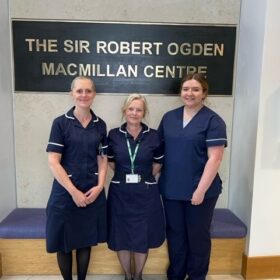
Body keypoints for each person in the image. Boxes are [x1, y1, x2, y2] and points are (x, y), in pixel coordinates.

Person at [158, 73, 227, 280]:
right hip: (171, 189)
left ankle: (197, 276)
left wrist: (200, 191)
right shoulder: (169, 118)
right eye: (186, 89)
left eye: (195, 89)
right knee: (176, 235)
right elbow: (160, 153)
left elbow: (214, 159)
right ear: (181, 92)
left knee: (197, 237)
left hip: (201, 191)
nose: (190, 93)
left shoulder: (213, 121)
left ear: (204, 93)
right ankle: (176, 274)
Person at [46, 76, 108, 280]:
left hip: (92, 191)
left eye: (88, 91)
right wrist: (74, 192)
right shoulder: (60, 123)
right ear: (71, 93)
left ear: (94, 94)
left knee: (85, 239)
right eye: (79, 91)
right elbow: (54, 161)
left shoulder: (100, 125)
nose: (84, 95)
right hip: (65, 193)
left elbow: (102, 158)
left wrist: (100, 186)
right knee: (63, 243)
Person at [107, 94, 165, 280]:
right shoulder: (113, 135)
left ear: (144, 112)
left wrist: (143, 177)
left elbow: (157, 165)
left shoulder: (154, 135)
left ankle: (138, 275)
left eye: (138, 109)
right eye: (131, 109)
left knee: (143, 235)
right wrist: (126, 175)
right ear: (125, 111)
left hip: (146, 194)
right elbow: (111, 162)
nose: (134, 113)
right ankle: (127, 275)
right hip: (120, 193)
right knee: (121, 235)